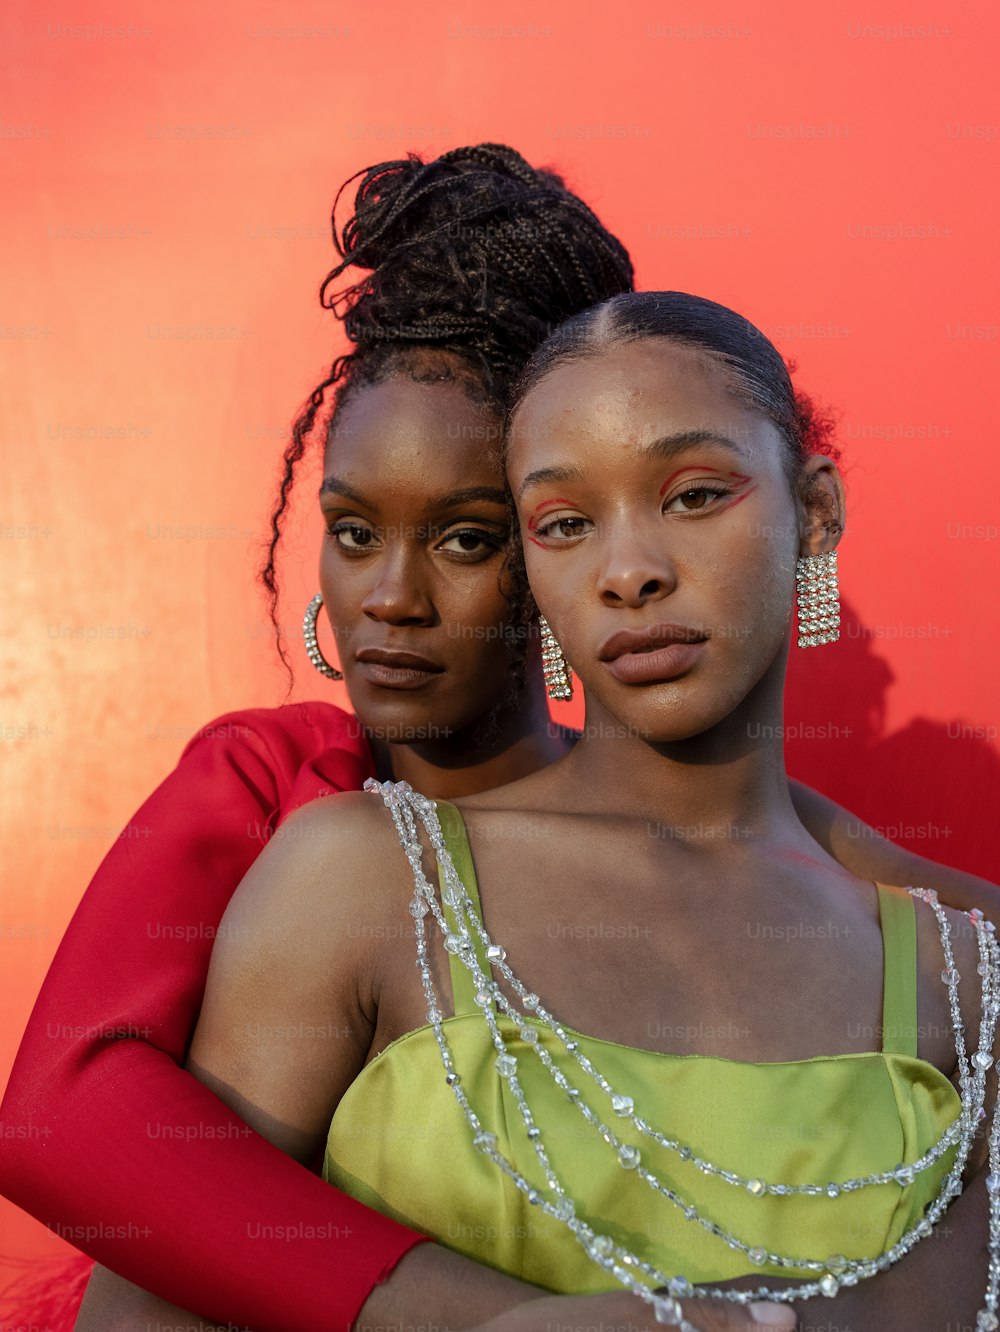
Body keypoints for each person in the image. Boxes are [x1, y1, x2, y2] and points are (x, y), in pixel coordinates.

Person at [75, 291, 1000, 1332]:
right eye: (564, 523)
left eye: (694, 495)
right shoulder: (361, 878)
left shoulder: (961, 974)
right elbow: (142, 1301)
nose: (629, 571)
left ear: (816, 512)